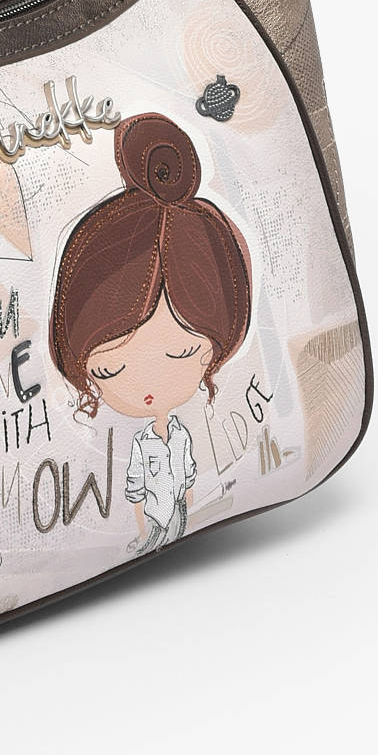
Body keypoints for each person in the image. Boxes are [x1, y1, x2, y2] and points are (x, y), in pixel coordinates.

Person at [49, 112, 252, 552]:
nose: (144, 385)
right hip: (154, 517)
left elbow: (187, 475)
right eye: (109, 370)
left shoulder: (178, 438)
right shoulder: (143, 445)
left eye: (181, 353)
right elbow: (136, 489)